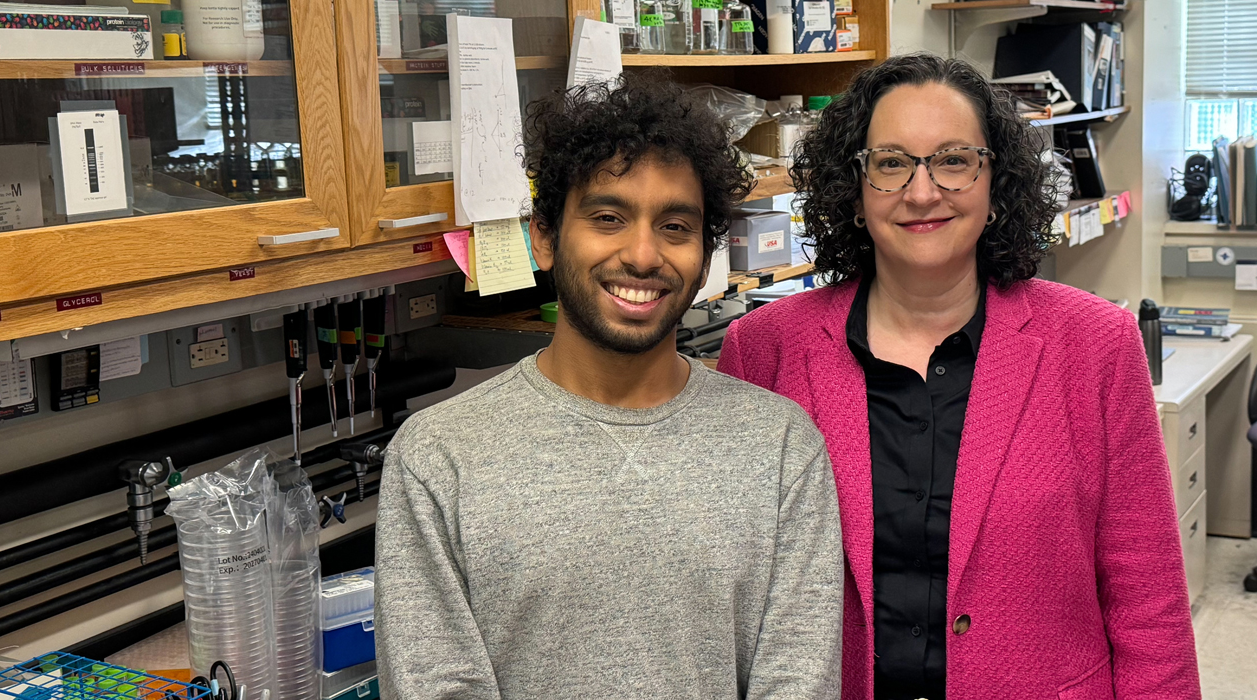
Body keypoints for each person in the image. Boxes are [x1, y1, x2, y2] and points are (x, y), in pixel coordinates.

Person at [718, 54, 1201, 700]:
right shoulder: (765, 350)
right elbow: (737, 597)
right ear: (855, 190)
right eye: (891, 164)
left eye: (953, 160)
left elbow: (1150, 609)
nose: (923, 192)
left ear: (993, 180)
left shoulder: (1096, 347)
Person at [375, 72, 845, 699]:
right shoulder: (439, 456)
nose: (644, 255)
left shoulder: (781, 447)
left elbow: (797, 685)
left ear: (705, 256)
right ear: (544, 235)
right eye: (607, 217)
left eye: (676, 227)